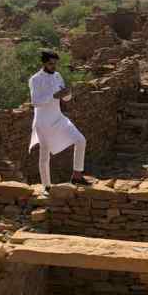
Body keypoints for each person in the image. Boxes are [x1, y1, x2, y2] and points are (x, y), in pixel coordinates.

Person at [29, 50, 89, 192]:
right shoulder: (35, 79)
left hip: (58, 117)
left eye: (55, 64)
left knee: (81, 140)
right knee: (44, 155)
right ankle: (46, 186)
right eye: (51, 64)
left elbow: (65, 98)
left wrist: (67, 94)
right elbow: (35, 102)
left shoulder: (57, 76)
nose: (54, 66)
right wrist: (54, 95)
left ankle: (77, 175)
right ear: (43, 63)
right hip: (43, 122)